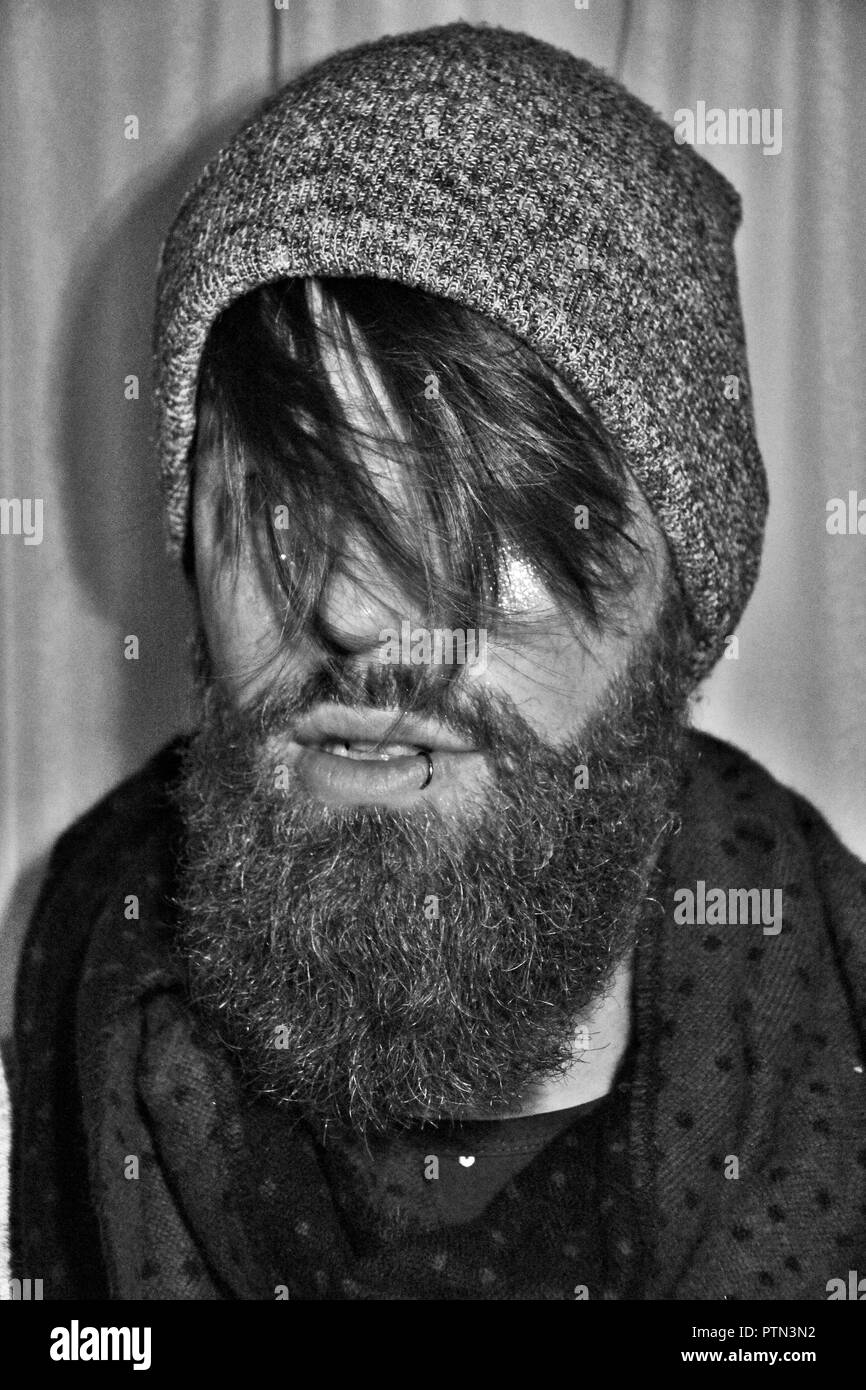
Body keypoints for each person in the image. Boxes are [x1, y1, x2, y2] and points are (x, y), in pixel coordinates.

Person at [11, 20, 866, 1301]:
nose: (357, 613)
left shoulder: (831, 1038)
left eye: (477, 519)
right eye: (290, 506)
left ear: (684, 590)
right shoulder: (49, 1020)